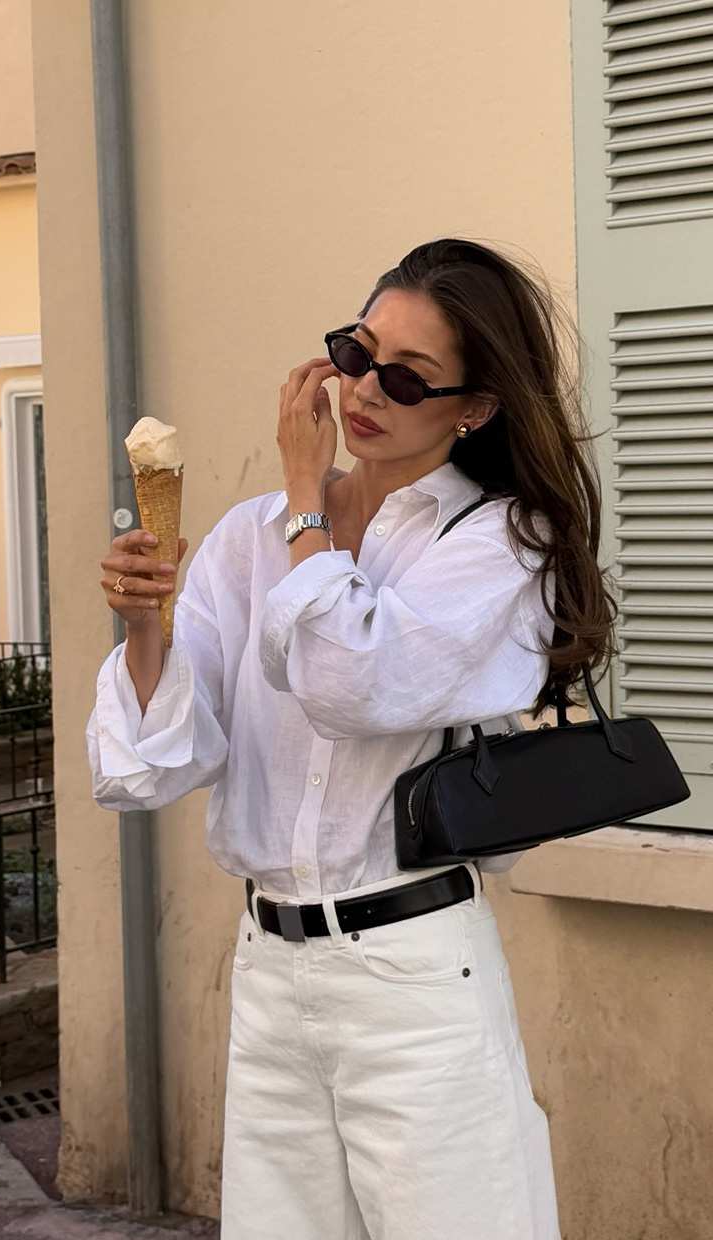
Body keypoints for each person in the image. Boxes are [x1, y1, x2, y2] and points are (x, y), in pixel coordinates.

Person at [87, 238, 615, 1239]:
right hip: (273, 970)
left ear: (476, 408)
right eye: (356, 350)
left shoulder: (502, 542)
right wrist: (145, 619)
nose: (367, 388)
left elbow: (347, 682)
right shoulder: (248, 538)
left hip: (413, 971)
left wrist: (302, 498)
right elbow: (149, 766)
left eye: (410, 377)